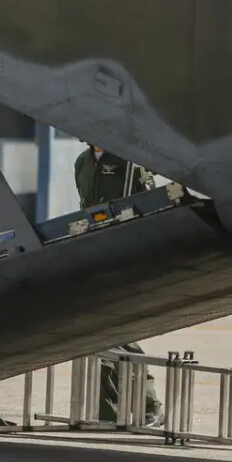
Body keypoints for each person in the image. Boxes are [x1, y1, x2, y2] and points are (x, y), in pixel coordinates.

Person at [74, 144, 164, 426]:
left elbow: (150, 206)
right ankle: (107, 410)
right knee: (97, 333)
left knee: (119, 333)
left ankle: (149, 405)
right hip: (96, 252)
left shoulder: (131, 160)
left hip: (125, 254)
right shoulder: (82, 162)